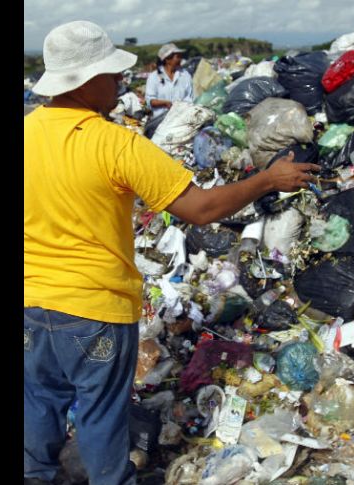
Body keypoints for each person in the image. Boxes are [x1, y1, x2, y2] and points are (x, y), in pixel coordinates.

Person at [24, 20, 318, 485]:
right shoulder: (115, 144)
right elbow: (201, 208)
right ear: (86, 81)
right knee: (100, 415)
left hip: (31, 306)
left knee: (38, 402)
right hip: (94, 308)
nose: (121, 82)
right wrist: (267, 179)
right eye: (112, 74)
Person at [145, 42, 194, 117]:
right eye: (177, 57)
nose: (180, 59)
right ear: (167, 59)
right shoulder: (154, 77)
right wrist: (165, 103)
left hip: (181, 118)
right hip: (160, 120)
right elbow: (150, 101)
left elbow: (190, 97)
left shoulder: (185, 75)